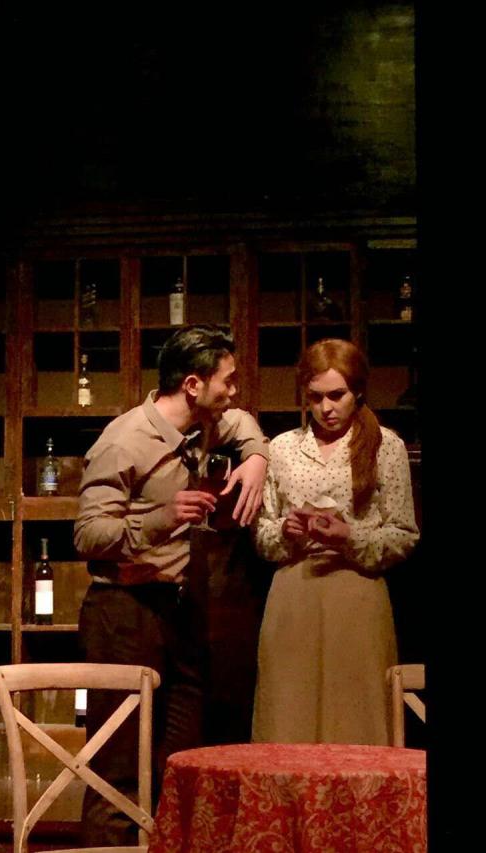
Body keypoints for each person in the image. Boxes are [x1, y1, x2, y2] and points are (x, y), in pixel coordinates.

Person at [74, 323, 269, 846]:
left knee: (180, 761)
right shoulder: (124, 441)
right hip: (124, 611)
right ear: (192, 385)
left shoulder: (205, 424)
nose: (234, 391)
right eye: (227, 380)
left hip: (179, 610)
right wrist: (159, 518)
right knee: (117, 765)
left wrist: (256, 459)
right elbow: (88, 535)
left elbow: (243, 424)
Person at [251, 338, 419, 746]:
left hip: (356, 592)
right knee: (289, 714)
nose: (326, 408)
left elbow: (403, 533)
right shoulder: (283, 448)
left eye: (336, 395)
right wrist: (286, 532)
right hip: (295, 593)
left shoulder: (385, 446)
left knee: (356, 716)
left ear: (357, 391)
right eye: (315, 397)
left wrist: (349, 536)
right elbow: (263, 532)